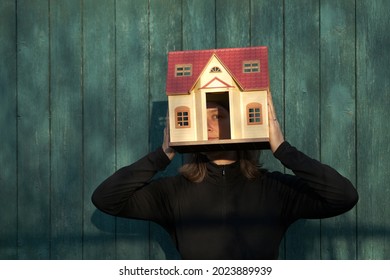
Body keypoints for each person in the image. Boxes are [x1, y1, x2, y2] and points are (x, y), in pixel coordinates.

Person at [91, 92, 358, 259]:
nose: (207, 125)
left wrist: (284, 150)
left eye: (217, 115)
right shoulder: (173, 192)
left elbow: (343, 196)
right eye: (200, 117)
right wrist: (162, 154)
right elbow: (106, 199)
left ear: (240, 122)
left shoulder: (275, 190)